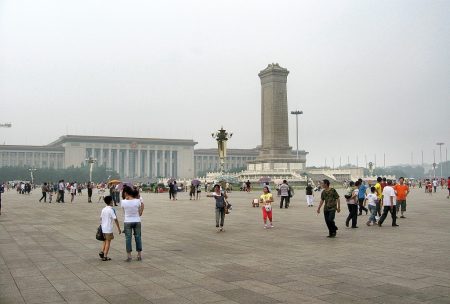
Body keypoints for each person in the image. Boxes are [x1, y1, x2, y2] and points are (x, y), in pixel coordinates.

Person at [121, 186, 144, 262]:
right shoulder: (137, 201)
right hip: (137, 221)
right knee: (138, 237)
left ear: (126, 193)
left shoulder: (123, 201)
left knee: (128, 238)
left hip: (127, 221)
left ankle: (129, 256)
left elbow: (124, 212)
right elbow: (140, 209)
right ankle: (139, 255)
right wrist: (140, 213)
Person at [99, 196, 121, 261]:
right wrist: (119, 228)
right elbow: (115, 219)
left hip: (103, 228)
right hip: (108, 229)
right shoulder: (111, 210)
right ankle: (105, 256)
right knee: (108, 242)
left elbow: (101, 218)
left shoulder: (103, 209)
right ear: (111, 201)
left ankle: (102, 252)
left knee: (104, 241)